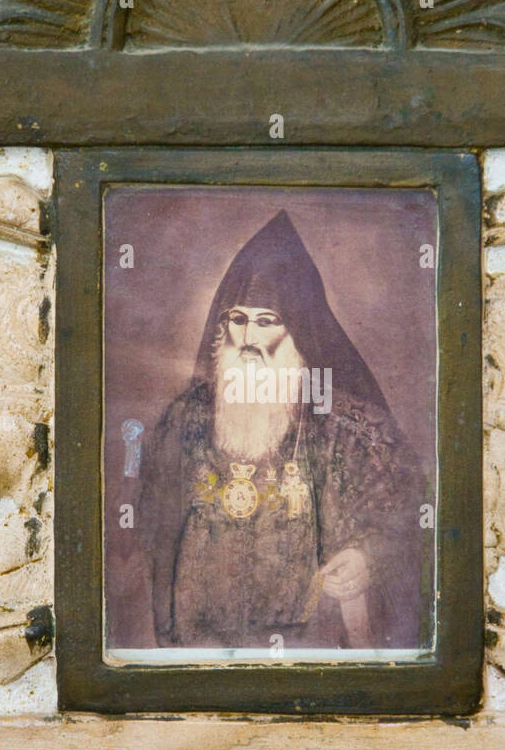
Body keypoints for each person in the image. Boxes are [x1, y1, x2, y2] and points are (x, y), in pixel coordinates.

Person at [132, 210, 429, 649]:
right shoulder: (185, 420)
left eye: (267, 321)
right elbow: (151, 523)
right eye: (237, 319)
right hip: (202, 647)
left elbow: (408, 514)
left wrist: (367, 559)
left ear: (299, 333)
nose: (248, 336)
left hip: (312, 647)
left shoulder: (347, 426)